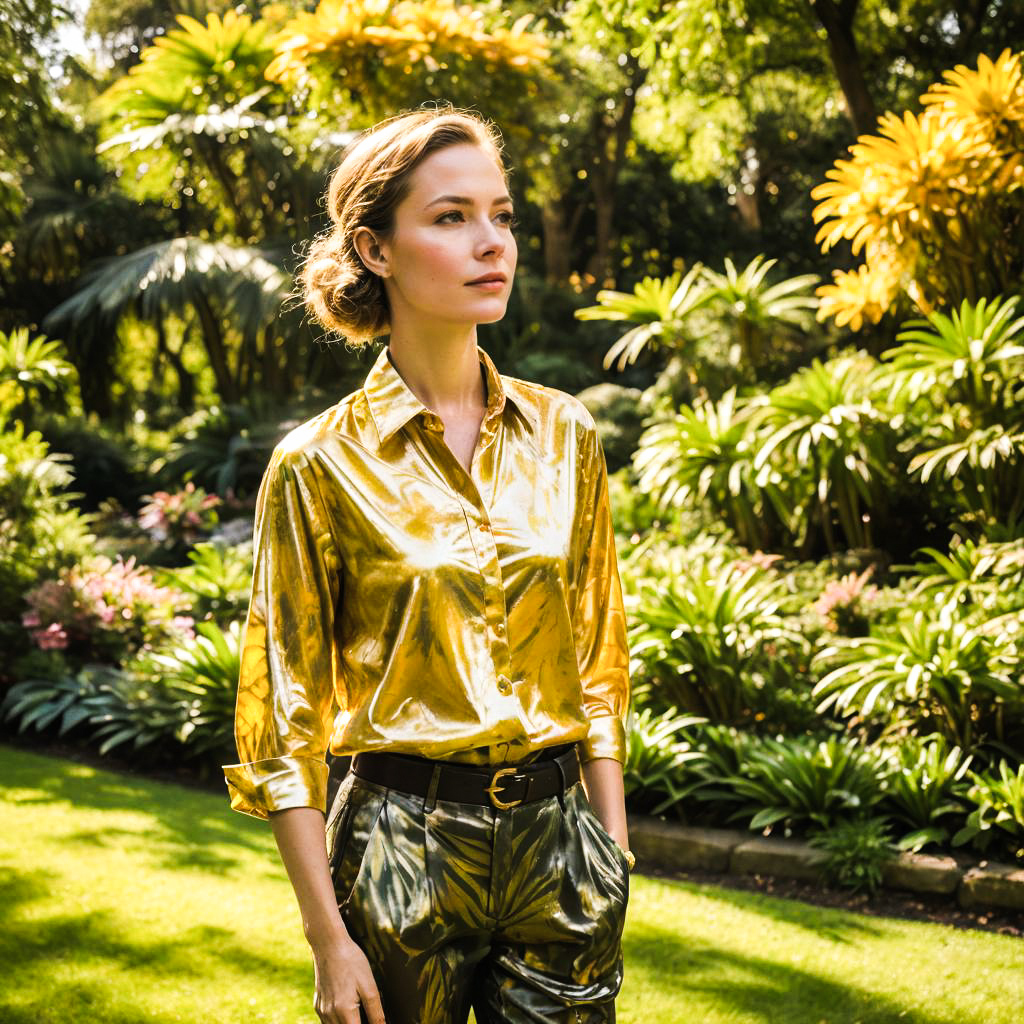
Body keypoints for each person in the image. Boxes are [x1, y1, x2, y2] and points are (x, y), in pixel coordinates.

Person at [222, 104, 632, 1024]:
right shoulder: (316, 463)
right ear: (375, 249)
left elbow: (600, 651)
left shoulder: (566, 431)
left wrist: (611, 841)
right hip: (399, 843)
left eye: (501, 214)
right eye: (451, 217)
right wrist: (328, 939)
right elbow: (284, 716)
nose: (492, 243)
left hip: (562, 835)